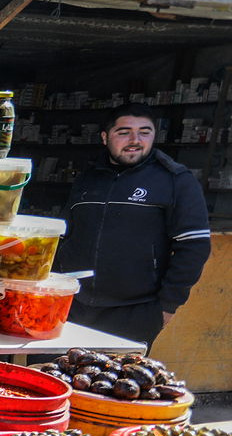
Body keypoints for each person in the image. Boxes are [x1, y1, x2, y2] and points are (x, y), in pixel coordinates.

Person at [55, 102, 211, 346]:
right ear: (105, 137)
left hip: (134, 311)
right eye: (124, 132)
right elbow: (64, 234)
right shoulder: (89, 177)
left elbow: (194, 246)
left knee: (113, 372)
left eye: (144, 132)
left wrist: (167, 305)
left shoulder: (175, 180)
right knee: (54, 368)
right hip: (72, 303)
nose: (135, 140)